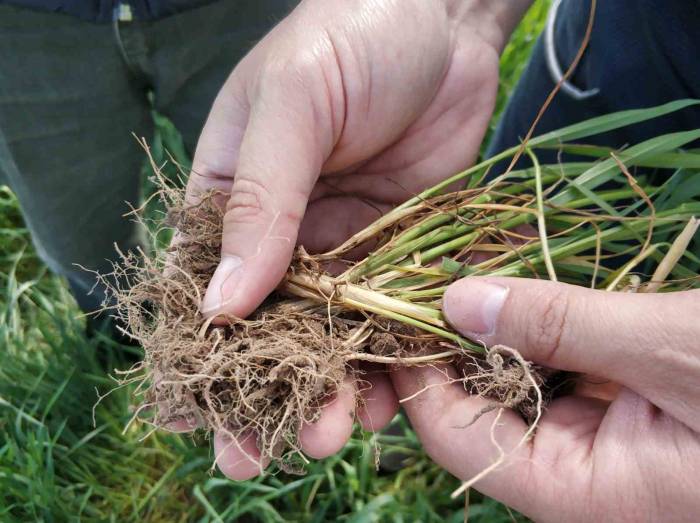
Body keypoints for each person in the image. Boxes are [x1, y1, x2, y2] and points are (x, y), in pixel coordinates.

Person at [2, 0, 699, 520]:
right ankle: (113, 326)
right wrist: (457, 18)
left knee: (557, 287)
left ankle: (443, 413)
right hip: (645, 31)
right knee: (518, 213)